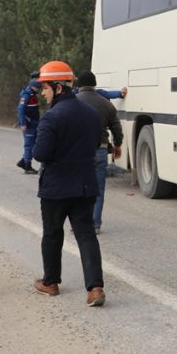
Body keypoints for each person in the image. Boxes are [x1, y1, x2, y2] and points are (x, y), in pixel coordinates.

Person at [30, 60, 106, 307]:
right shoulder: (92, 114)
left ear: (59, 87)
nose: (43, 92)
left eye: (45, 88)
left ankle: (51, 283)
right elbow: (95, 144)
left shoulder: (52, 117)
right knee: (86, 235)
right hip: (84, 186)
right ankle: (95, 288)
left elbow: (40, 154)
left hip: (55, 189)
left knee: (52, 234)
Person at [75, 70, 124, 234]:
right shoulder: (105, 103)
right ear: (94, 84)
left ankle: (79, 223)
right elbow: (116, 127)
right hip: (100, 150)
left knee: (77, 188)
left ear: (79, 85)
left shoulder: (73, 101)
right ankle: (95, 224)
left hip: (77, 153)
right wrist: (117, 145)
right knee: (98, 188)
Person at [16, 70, 41, 174]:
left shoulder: (32, 94)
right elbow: (20, 110)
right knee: (29, 145)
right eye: (37, 88)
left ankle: (23, 161)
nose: (38, 90)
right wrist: (23, 124)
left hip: (34, 123)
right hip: (28, 124)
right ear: (33, 86)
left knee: (33, 144)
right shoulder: (26, 95)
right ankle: (27, 166)